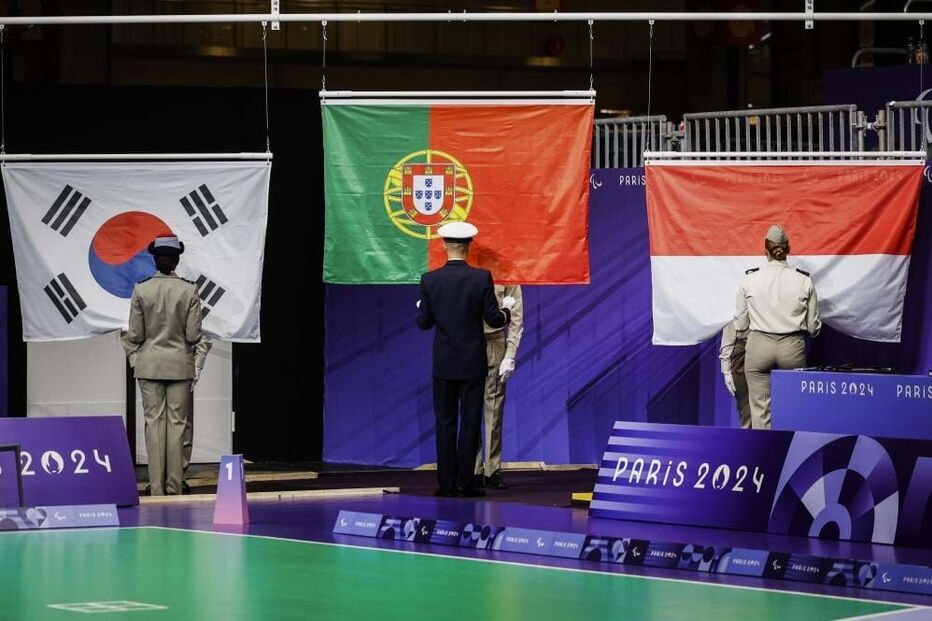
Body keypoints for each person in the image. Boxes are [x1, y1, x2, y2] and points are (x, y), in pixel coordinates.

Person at [416, 221, 514, 497]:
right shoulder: (481, 278)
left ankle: (445, 484)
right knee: (470, 423)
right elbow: (493, 319)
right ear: (469, 247)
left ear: (444, 245)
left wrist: (422, 307)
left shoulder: (430, 280)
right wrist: (507, 310)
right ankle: (466, 483)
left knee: (445, 423)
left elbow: (424, 323)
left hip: (444, 363)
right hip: (473, 363)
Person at [122, 235, 211, 495]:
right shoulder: (189, 289)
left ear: (155, 261)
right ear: (176, 262)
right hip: (179, 365)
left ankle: (157, 488)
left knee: (153, 423)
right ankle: (174, 486)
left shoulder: (141, 289)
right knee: (177, 424)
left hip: (149, 365)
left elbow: (136, 335)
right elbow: (194, 335)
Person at [735, 225, 821, 430]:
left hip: (758, 347)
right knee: (794, 409)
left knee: (760, 412)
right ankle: (790, 458)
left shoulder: (749, 279)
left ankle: (764, 458)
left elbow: (740, 324)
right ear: (787, 250)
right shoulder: (804, 280)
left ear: (765, 251)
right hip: (791, 347)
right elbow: (813, 328)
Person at [475, 284, 523, 489]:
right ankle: (473, 468)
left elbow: (516, 318)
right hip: (466, 342)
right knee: (469, 408)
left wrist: (510, 355)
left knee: (493, 407)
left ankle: (492, 468)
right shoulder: (467, 270)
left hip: (494, 341)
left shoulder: (508, 274)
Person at [719, 322, 751, 429]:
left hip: (770, 347)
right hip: (743, 351)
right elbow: (730, 324)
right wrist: (726, 368)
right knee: (747, 411)